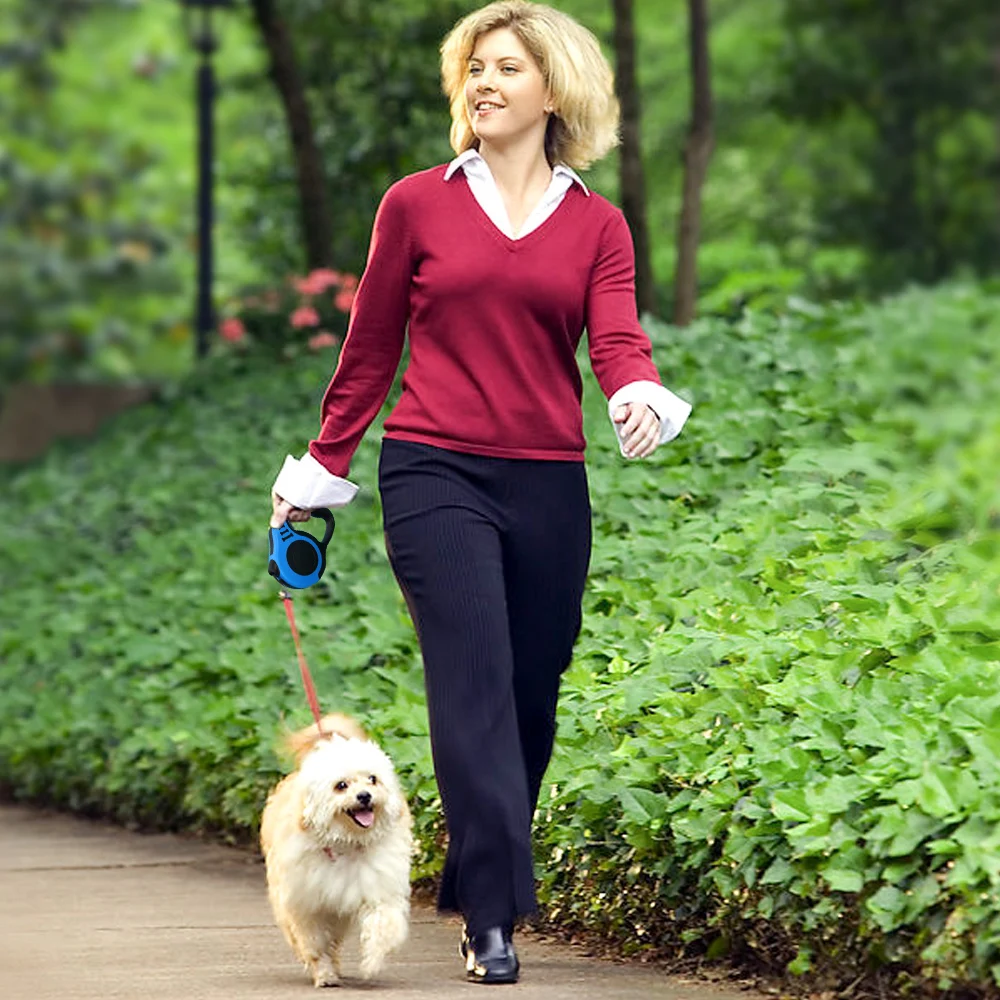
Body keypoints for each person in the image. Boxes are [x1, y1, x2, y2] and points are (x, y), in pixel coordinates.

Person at [269, 0, 691, 984]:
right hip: (432, 469)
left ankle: (475, 875)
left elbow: (618, 338)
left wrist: (636, 392)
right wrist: (317, 476)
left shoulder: (596, 224)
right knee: (471, 689)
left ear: (557, 89)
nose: (484, 83)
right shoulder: (415, 204)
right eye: (474, 68)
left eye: (507, 66)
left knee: (528, 700)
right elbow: (369, 347)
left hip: (547, 482)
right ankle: (496, 913)